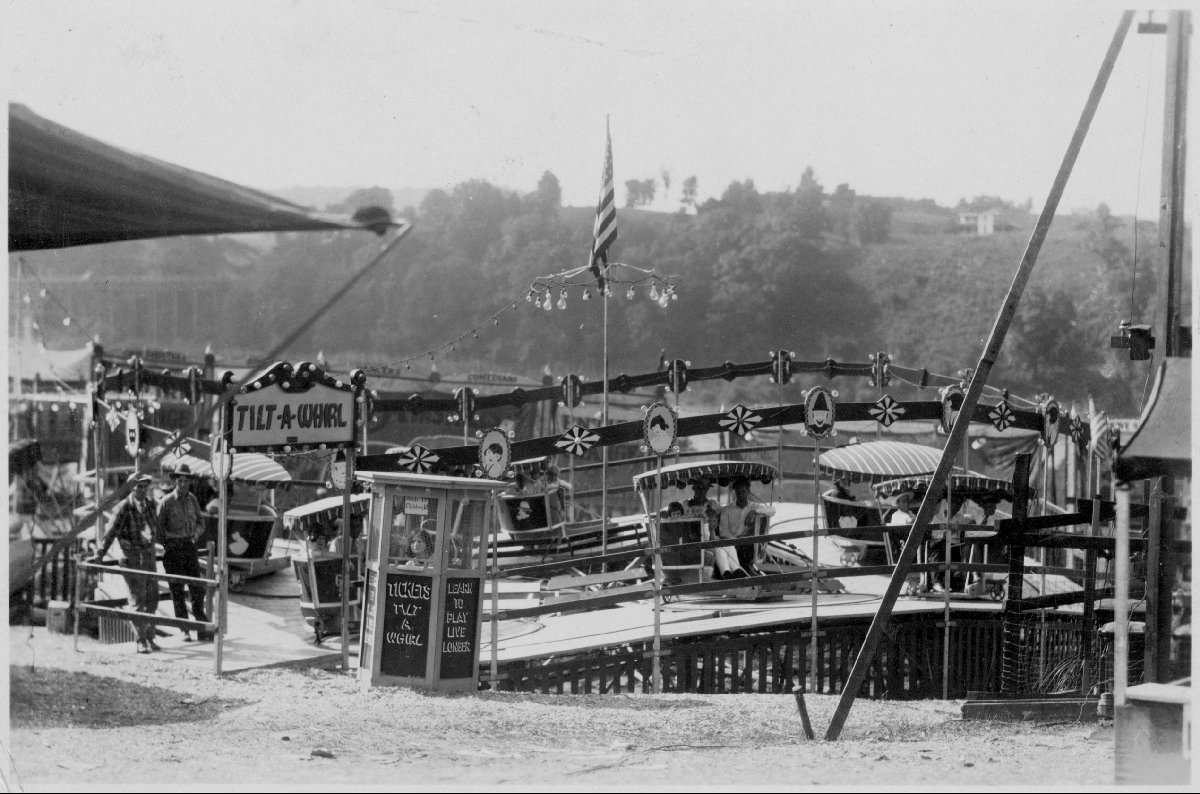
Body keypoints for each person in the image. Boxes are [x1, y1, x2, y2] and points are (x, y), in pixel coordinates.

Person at [92, 473, 161, 653]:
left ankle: (151, 637)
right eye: (139, 486)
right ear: (132, 487)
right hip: (131, 557)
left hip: (148, 556)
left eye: (145, 486)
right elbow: (110, 533)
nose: (142, 490)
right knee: (137, 599)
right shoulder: (124, 508)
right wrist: (99, 554)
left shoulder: (152, 505)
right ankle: (141, 640)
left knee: (153, 598)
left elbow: (158, 528)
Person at [157, 463, 210, 642]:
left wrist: (195, 535)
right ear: (175, 482)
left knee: (197, 588)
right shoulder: (166, 502)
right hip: (173, 550)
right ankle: (184, 629)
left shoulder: (192, 500)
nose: (183, 484)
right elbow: (159, 530)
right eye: (180, 481)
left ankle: (201, 627)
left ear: (190, 483)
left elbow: (201, 522)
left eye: (186, 481)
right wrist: (170, 544)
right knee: (177, 591)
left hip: (189, 547)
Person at [715, 477, 776, 578]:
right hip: (733, 541)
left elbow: (772, 510)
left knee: (746, 548)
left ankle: (744, 571)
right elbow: (723, 531)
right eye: (738, 491)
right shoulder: (727, 510)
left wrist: (755, 512)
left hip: (749, 543)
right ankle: (730, 573)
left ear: (748, 491)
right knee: (724, 548)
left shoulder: (754, 507)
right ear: (735, 492)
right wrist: (736, 540)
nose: (740, 494)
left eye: (743, 491)